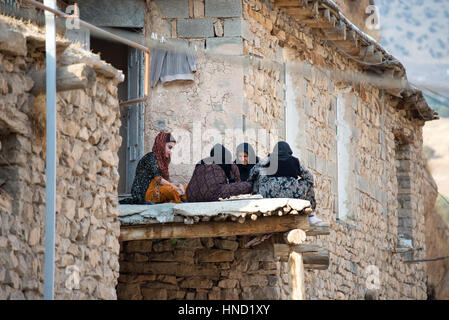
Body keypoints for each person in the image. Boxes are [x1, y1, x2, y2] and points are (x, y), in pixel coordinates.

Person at [248, 141, 322, 225]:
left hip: (269, 194)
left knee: (257, 180)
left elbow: (253, 173)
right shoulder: (295, 160)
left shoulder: (268, 159)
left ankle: (256, 204)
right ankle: (311, 215)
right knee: (308, 184)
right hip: (292, 194)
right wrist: (295, 181)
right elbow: (309, 177)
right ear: (289, 151)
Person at [126, 132, 186, 204]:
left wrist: (179, 185)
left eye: (172, 149)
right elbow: (158, 179)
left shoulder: (163, 160)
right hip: (145, 192)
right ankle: (178, 201)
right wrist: (175, 187)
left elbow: (166, 180)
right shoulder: (151, 157)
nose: (171, 151)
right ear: (161, 144)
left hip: (158, 188)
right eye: (169, 147)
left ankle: (177, 197)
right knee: (172, 191)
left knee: (186, 189)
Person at [186, 144, 253, 202]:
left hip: (190, 196)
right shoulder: (226, 164)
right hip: (212, 194)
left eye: (245, 156)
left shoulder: (201, 163)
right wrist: (250, 185)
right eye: (240, 156)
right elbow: (234, 186)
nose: (243, 159)